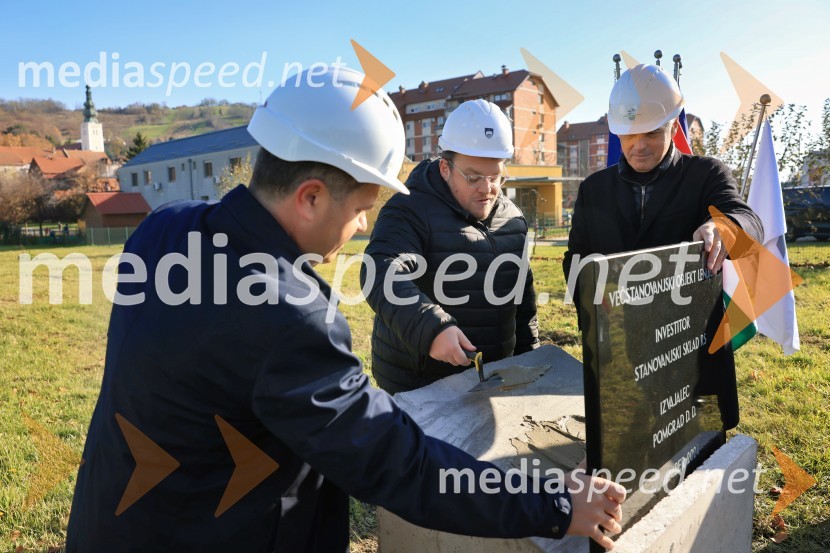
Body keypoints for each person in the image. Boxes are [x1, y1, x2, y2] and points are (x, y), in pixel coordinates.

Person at [66, 67, 625, 552]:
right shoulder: (290, 320)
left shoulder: (163, 229)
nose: (361, 226)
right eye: (360, 209)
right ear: (309, 196)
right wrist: (553, 504)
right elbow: (399, 466)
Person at [564, 63, 764, 429]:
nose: (638, 146)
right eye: (628, 135)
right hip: (626, 336)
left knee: (698, 438)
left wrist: (724, 225)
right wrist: (591, 298)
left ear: (674, 124)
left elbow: (747, 220)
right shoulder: (594, 189)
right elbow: (576, 257)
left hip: (693, 338)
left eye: (652, 133)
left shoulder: (706, 174)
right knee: (637, 430)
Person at [362, 99, 539, 394]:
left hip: (492, 380)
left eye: (496, 177)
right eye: (473, 177)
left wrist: (530, 356)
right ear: (445, 168)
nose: (487, 189)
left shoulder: (513, 219)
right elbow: (381, 271)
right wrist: (432, 329)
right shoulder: (409, 208)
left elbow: (522, 299)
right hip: (418, 386)